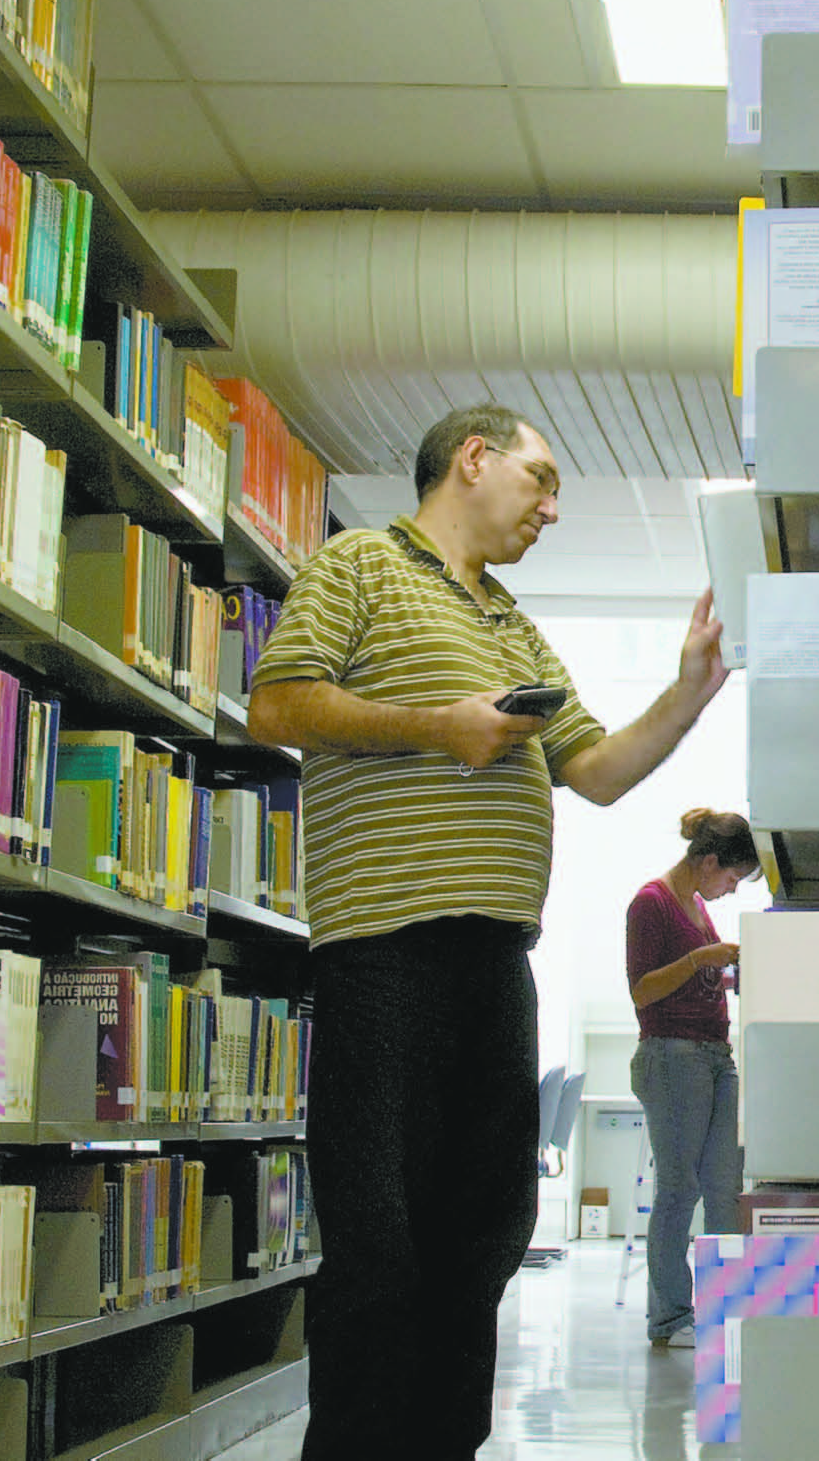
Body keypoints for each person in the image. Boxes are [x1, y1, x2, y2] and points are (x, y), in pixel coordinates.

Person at [246, 402, 728, 1461]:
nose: (551, 507)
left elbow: (595, 770)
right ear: (473, 458)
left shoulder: (510, 618)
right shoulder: (360, 564)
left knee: (481, 1238)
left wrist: (690, 693)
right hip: (386, 955)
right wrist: (439, 724)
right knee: (381, 1244)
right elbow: (275, 708)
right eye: (540, 477)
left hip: (497, 965)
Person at [623, 807, 761, 1347]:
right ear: (708, 863)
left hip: (713, 1056)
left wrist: (726, 973)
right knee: (678, 1190)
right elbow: (643, 991)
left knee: (724, 1188)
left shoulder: (698, 906)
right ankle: (671, 1318)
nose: (730, 889)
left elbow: (695, 982)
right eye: (730, 878)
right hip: (672, 1056)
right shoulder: (651, 903)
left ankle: (726, 1307)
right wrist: (702, 957)